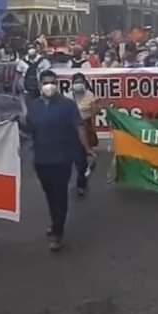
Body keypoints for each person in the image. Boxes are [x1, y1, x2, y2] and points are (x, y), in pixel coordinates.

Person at [20, 70, 95, 251]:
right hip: (41, 159)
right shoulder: (34, 106)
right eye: (45, 82)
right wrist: (20, 120)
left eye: (52, 82)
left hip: (62, 159)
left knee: (60, 195)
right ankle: (55, 222)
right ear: (40, 85)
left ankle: (58, 232)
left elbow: (79, 127)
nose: (49, 86)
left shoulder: (68, 105)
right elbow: (28, 129)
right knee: (50, 195)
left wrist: (87, 148)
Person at [69, 73, 99, 197]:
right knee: (74, 158)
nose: (78, 84)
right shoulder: (68, 96)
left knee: (81, 158)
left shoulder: (89, 95)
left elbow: (94, 111)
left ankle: (81, 183)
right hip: (71, 130)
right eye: (76, 82)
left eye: (80, 81)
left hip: (85, 127)